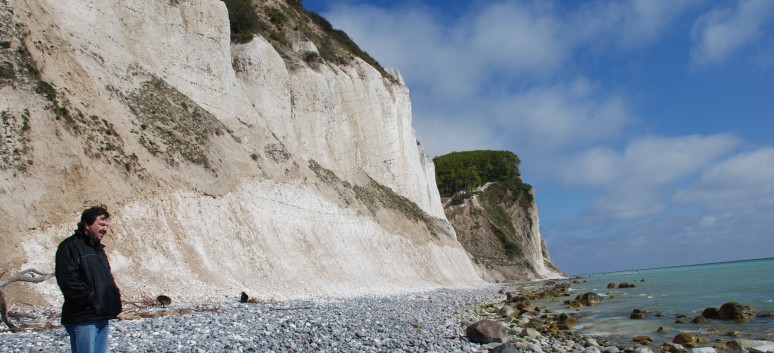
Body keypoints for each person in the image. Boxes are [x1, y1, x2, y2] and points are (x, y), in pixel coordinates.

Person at [55, 206, 122, 353]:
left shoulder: (97, 249)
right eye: (101, 224)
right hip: (84, 317)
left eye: (107, 226)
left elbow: (105, 280)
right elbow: (68, 281)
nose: (105, 229)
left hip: (101, 314)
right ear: (87, 225)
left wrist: (112, 300)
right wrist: (90, 299)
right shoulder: (69, 247)